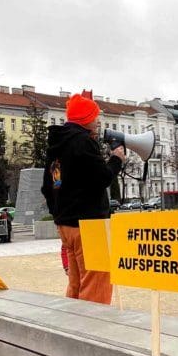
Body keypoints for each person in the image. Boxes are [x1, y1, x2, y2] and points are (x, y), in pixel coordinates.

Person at [41, 92, 125, 304]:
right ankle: (91, 328)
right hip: (89, 225)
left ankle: (71, 325)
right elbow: (101, 178)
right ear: (86, 118)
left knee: (76, 282)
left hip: (66, 225)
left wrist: (59, 213)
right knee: (97, 281)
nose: (98, 123)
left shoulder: (57, 145)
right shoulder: (83, 142)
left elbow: (48, 186)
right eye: (95, 117)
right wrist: (116, 160)